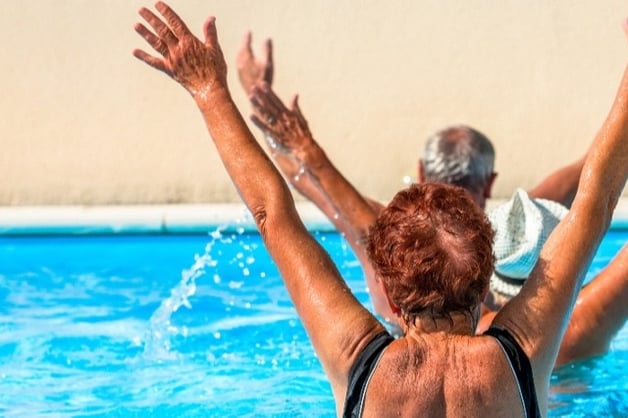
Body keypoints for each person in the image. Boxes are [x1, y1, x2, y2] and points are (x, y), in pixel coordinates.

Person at [133, 3, 628, 416]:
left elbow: (270, 212)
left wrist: (210, 91)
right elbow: (596, 200)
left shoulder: (359, 360)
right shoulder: (522, 356)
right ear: (484, 283)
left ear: (388, 293)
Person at [237, 36, 628, 366]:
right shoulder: (552, 326)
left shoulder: (391, 244)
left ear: (421, 173)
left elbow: (292, 193)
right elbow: (595, 188)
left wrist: (269, 113)